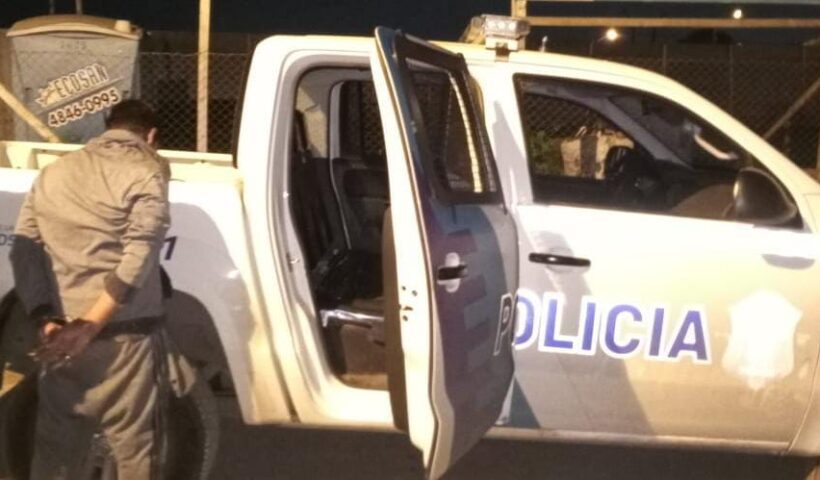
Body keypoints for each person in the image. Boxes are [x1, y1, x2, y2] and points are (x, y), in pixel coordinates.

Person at [9, 100, 174, 480]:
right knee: (134, 449)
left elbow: (24, 251)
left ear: (108, 127)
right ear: (151, 136)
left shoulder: (54, 172)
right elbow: (139, 254)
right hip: (125, 341)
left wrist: (46, 318)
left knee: (55, 448)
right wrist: (91, 325)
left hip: (59, 337)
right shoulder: (146, 172)